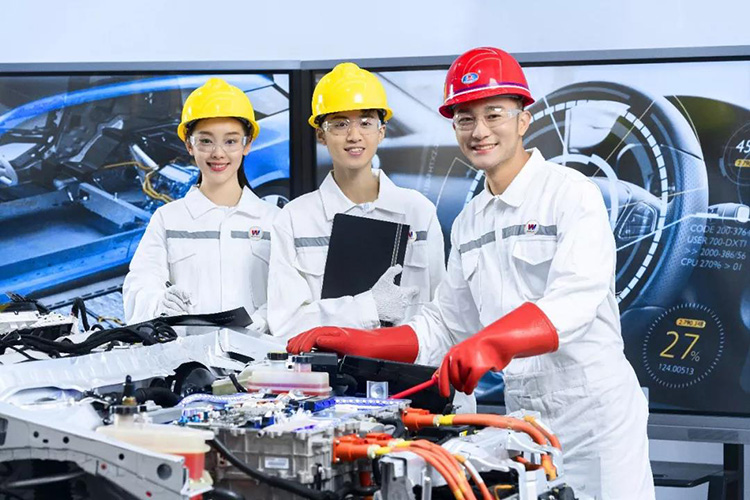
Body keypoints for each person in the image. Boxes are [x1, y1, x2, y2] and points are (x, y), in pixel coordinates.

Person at [287, 48, 655, 499]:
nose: (479, 131)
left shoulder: (570, 193)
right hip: (523, 419)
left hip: (595, 417)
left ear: (523, 119)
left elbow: (575, 299)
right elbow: (445, 324)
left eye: (493, 114)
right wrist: (357, 340)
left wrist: (492, 343)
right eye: (465, 119)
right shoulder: (470, 220)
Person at [268, 63, 446, 341]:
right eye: (340, 124)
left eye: (366, 123)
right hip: (326, 367)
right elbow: (285, 325)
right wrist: (368, 307)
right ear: (321, 135)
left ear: (382, 131)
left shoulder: (419, 212)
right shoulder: (294, 219)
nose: (354, 135)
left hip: (408, 366)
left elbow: (442, 316)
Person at [123, 78, 279, 333]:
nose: (218, 153)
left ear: (247, 144)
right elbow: (139, 284)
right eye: (206, 141)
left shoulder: (274, 220)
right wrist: (159, 302)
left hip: (257, 353)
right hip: (187, 355)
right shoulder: (168, 220)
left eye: (230, 141)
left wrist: (259, 323)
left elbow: (288, 294)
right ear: (189, 145)